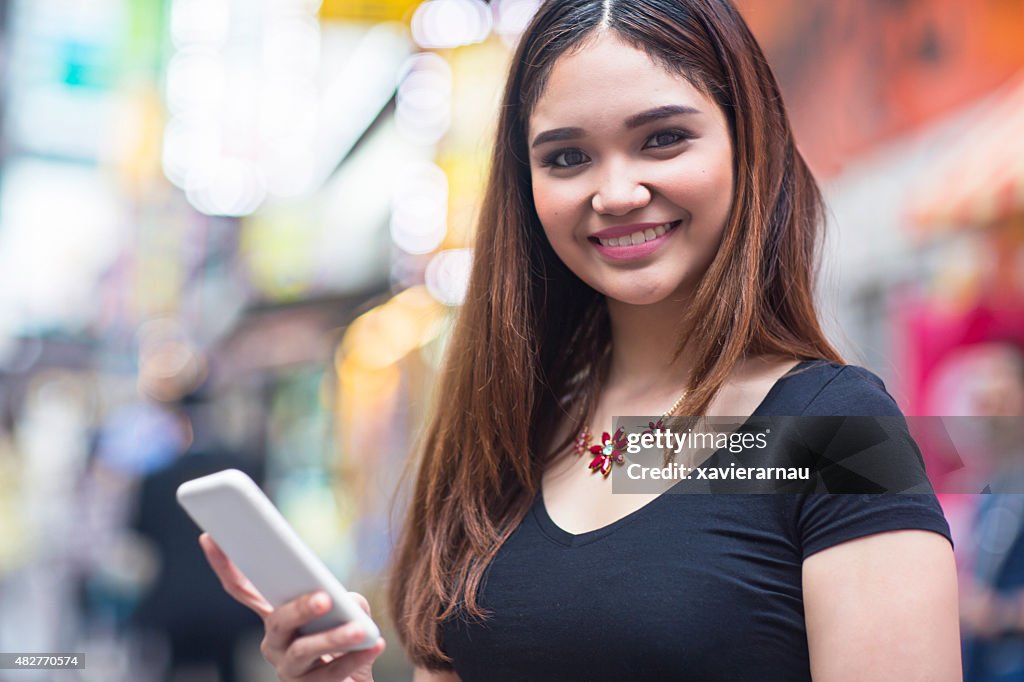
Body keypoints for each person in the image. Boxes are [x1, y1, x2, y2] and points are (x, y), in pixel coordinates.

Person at [198, 0, 961, 680]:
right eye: (566, 157)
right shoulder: (505, 433)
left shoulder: (837, 432)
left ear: (747, 145)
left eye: (663, 139)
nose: (617, 192)